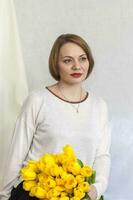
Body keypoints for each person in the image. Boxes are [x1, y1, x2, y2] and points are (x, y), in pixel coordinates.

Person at [0, 33, 111, 200]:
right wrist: (3, 196)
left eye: (82, 59)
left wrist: (96, 189)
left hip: (79, 195)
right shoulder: (37, 100)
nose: (77, 66)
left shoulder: (99, 106)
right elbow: (16, 155)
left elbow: (102, 155)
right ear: (56, 64)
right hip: (35, 194)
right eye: (68, 60)